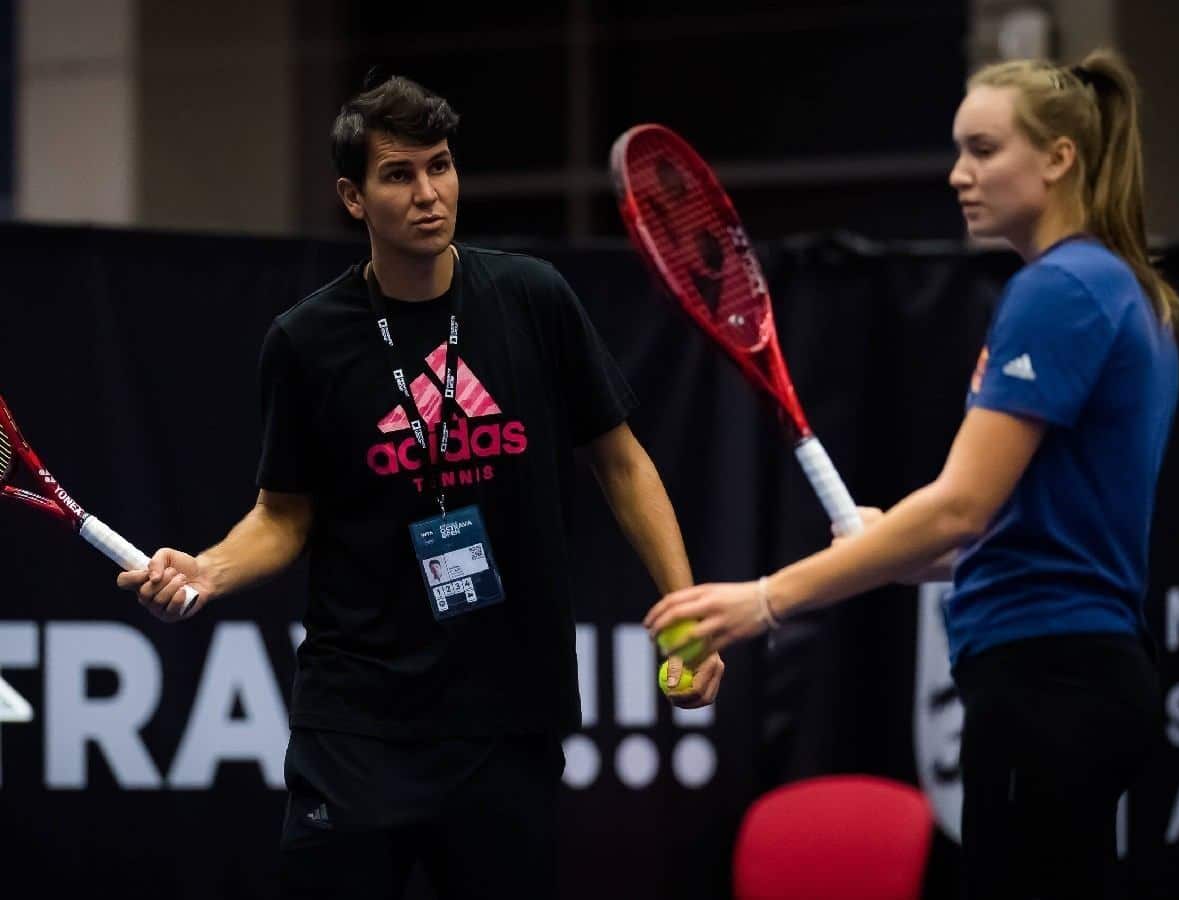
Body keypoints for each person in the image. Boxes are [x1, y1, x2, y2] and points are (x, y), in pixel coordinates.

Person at [117, 72, 724, 899]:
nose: (429, 193)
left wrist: (688, 620)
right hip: (357, 723)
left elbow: (623, 464)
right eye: (399, 175)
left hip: (509, 716)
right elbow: (283, 516)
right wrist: (208, 569)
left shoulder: (531, 299)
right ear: (354, 197)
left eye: (440, 166)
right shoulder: (306, 343)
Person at [645, 48, 1179, 900]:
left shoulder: (1063, 290)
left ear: (1058, 158)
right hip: (1074, 680)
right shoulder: (1119, 289)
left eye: (983, 149)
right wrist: (894, 541)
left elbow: (961, 510)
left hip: (1046, 684)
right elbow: (1016, 530)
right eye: (958, 150)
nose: (957, 174)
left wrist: (766, 596)